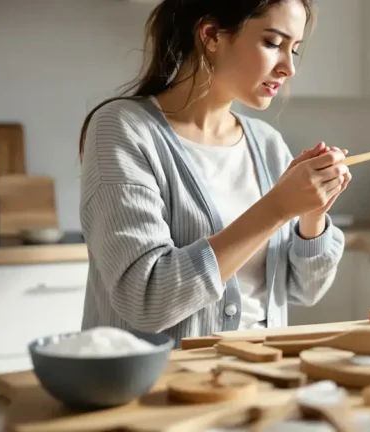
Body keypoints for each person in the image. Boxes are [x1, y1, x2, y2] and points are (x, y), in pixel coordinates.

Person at [77, 0, 350, 346]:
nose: (288, 68)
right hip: (156, 391)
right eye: (272, 43)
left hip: (257, 382)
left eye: (293, 50)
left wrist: (312, 214)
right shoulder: (124, 128)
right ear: (211, 35)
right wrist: (278, 207)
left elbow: (304, 289)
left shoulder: (266, 144)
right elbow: (146, 299)